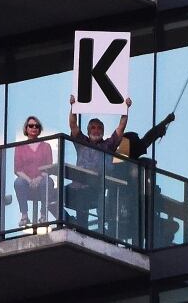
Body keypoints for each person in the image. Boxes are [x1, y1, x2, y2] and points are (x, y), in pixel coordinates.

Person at [66, 94, 131, 229]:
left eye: (99, 128)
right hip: (77, 186)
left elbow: (120, 128)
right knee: (55, 196)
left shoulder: (108, 145)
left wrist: (126, 109)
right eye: (93, 128)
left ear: (103, 130)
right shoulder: (82, 142)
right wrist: (73, 107)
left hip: (95, 187)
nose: (96, 130)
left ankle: (86, 230)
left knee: (84, 201)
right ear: (88, 130)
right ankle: (70, 222)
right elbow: (73, 125)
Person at [109, 112, 176, 242]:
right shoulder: (120, 163)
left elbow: (148, 138)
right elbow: (147, 139)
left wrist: (165, 122)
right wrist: (165, 122)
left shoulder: (123, 160)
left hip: (138, 208)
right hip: (128, 208)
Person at [14, 116, 56, 227]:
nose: (34, 128)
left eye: (36, 126)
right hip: (26, 181)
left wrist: (38, 178)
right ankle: (24, 216)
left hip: (41, 179)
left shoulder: (46, 146)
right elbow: (18, 169)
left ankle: (43, 215)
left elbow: (49, 166)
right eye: (31, 125)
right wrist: (29, 180)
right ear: (26, 129)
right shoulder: (19, 147)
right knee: (18, 182)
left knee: (47, 181)